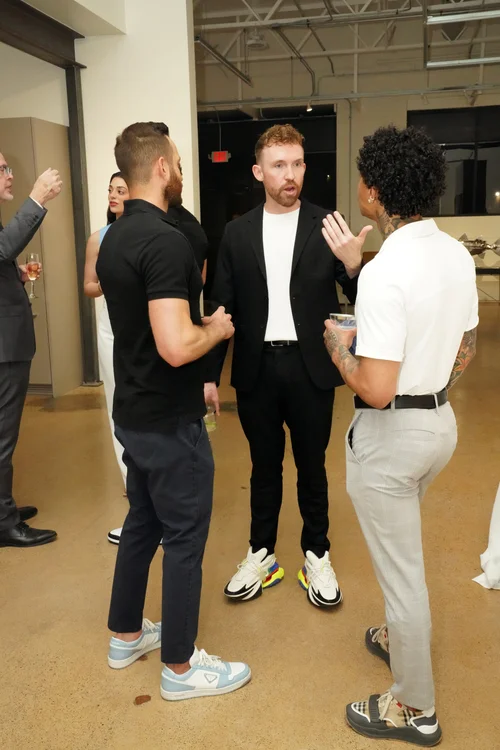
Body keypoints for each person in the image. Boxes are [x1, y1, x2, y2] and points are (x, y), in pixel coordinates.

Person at [322, 125, 478, 745]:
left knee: (402, 574)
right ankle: (398, 637)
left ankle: (415, 708)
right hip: (440, 426)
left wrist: (340, 347)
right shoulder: (454, 255)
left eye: (363, 178)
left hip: (392, 439)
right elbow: (466, 349)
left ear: (377, 191)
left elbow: (376, 389)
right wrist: (427, 380)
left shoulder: (386, 272)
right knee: (401, 545)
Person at [96, 121, 250, 700]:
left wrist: (194, 328)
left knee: (143, 521)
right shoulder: (165, 241)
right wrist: (217, 330)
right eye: (179, 164)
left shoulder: (115, 237)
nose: (182, 172)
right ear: (161, 167)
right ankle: (181, 670)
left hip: (134, 412)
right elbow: (176, 346)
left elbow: (150, 327)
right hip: (167, 420)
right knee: (184, 536)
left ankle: (125, 635)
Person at [208, 124, 361, 607]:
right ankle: (262, 554)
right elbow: (221, 309)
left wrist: (354, 266)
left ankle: (317, 555)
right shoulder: (236, 233)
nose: (289, 174)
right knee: (263, 467)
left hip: (311, 367)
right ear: (259, 172)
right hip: (256, 368)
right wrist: (209, 376)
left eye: (296, 164)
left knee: (313, 467)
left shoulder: (327, 224)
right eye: (278, 165)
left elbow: (360, 296)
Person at [0, 153, 61, 548]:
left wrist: (13, 275)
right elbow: (3, 247)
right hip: (3, 349)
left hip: (8, 344)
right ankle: (4, 522)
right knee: (2, 438)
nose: (10, 175)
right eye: (3, 169)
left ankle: (3, 508)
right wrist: (37, 197)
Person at [84, 172, 130, 492]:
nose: (113, 195)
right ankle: (130, 478)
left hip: (143, 325)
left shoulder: (145, 233)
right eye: (111, 190)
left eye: (121, 190)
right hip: (110, 328)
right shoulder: (98, 238)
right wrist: (107, 284)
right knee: (116, 399)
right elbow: (88, 286)